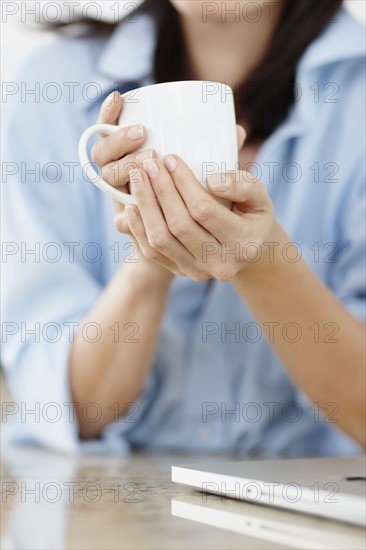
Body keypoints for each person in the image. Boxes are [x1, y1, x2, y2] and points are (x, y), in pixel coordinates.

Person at [3, 0, 365, 455]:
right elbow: (78, 410)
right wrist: (151, 246)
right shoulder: (51, 87)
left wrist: (265, 263)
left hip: (307, 508)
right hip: (112, 508)